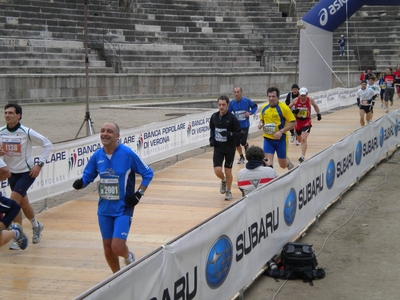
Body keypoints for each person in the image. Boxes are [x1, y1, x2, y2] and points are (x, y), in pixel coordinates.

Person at [72, 122, 153, 273]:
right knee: (108, 248)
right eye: (102, 131)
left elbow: (148, 173)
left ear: (117, 136)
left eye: (109, 131)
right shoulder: (97, 155)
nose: (105, 134)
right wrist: (81, 183)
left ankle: (128, 256)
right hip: (104, 208)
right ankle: (116, 277)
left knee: (117, 246)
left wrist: (139, 194)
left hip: (123, 207)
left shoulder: (127, 154)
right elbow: (88, 175)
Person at [0, 103, 52, 250]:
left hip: (26, 173)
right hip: (11, 173)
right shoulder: (1, 132)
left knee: (13, 202)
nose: (7, 115)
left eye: (11, 113)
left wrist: (39, 164)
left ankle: (18, 234)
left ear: (19, 116)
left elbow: (47, 145)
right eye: (5, 113)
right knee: (23, 203)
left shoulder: (26, 132)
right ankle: (36, 226)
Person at [209, 95, 242, 200]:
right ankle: (223, 180)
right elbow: (212, 129)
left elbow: (239, 133)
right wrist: (211, 139)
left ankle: (228, 191)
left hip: (229, 148)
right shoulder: (214, 116)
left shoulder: (232, 118)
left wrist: (229, 133)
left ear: (228, 105)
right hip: (218, 147)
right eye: (219, 105)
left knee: (228, 171)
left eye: (223, 105)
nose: (221, 107)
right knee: (217, 170)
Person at [258, 87, 296, 170]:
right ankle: (271, 180)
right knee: (267, 164)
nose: (271, 98)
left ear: (278, 97)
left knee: (282, 165)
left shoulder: (284, 108)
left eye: (273, 96)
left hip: (281, 140)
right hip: (268, 139)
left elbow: (293, 122)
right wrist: (261, 123)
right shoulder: (264, 107)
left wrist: (281, 131)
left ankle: (287, 162)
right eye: (269, 96)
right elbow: (262, 119)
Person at [0, 159, 28, 250]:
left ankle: (16, 232)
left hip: (24, 171)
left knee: (15, 205)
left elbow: (7, 173)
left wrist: (2, 225)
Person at [288, 87, 322, 163]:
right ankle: (302, 144)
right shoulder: (296, 100)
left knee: (303, 138)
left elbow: (315, 106)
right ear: (299, 94)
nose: (303, 97)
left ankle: (302, 156)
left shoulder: (310, 100)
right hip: (298, 121)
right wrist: (294, 110)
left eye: (304, 95)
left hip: (307, 121)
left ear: (307, 94)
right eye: (301, 95)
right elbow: (287, 108)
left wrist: (318, 114)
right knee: (299, 140)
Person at [228, 87, 258, 164]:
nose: (236, 94)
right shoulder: (232, 102)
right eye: (235, 92)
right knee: (236, 143)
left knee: (242, 141)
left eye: (238, 92)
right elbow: (228, 111)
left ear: (241, 92)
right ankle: (241, 156)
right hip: (236, 126)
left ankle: (246, 145)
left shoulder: (246, 101)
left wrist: (250, 113)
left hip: (245, 124)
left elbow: (254, 106)